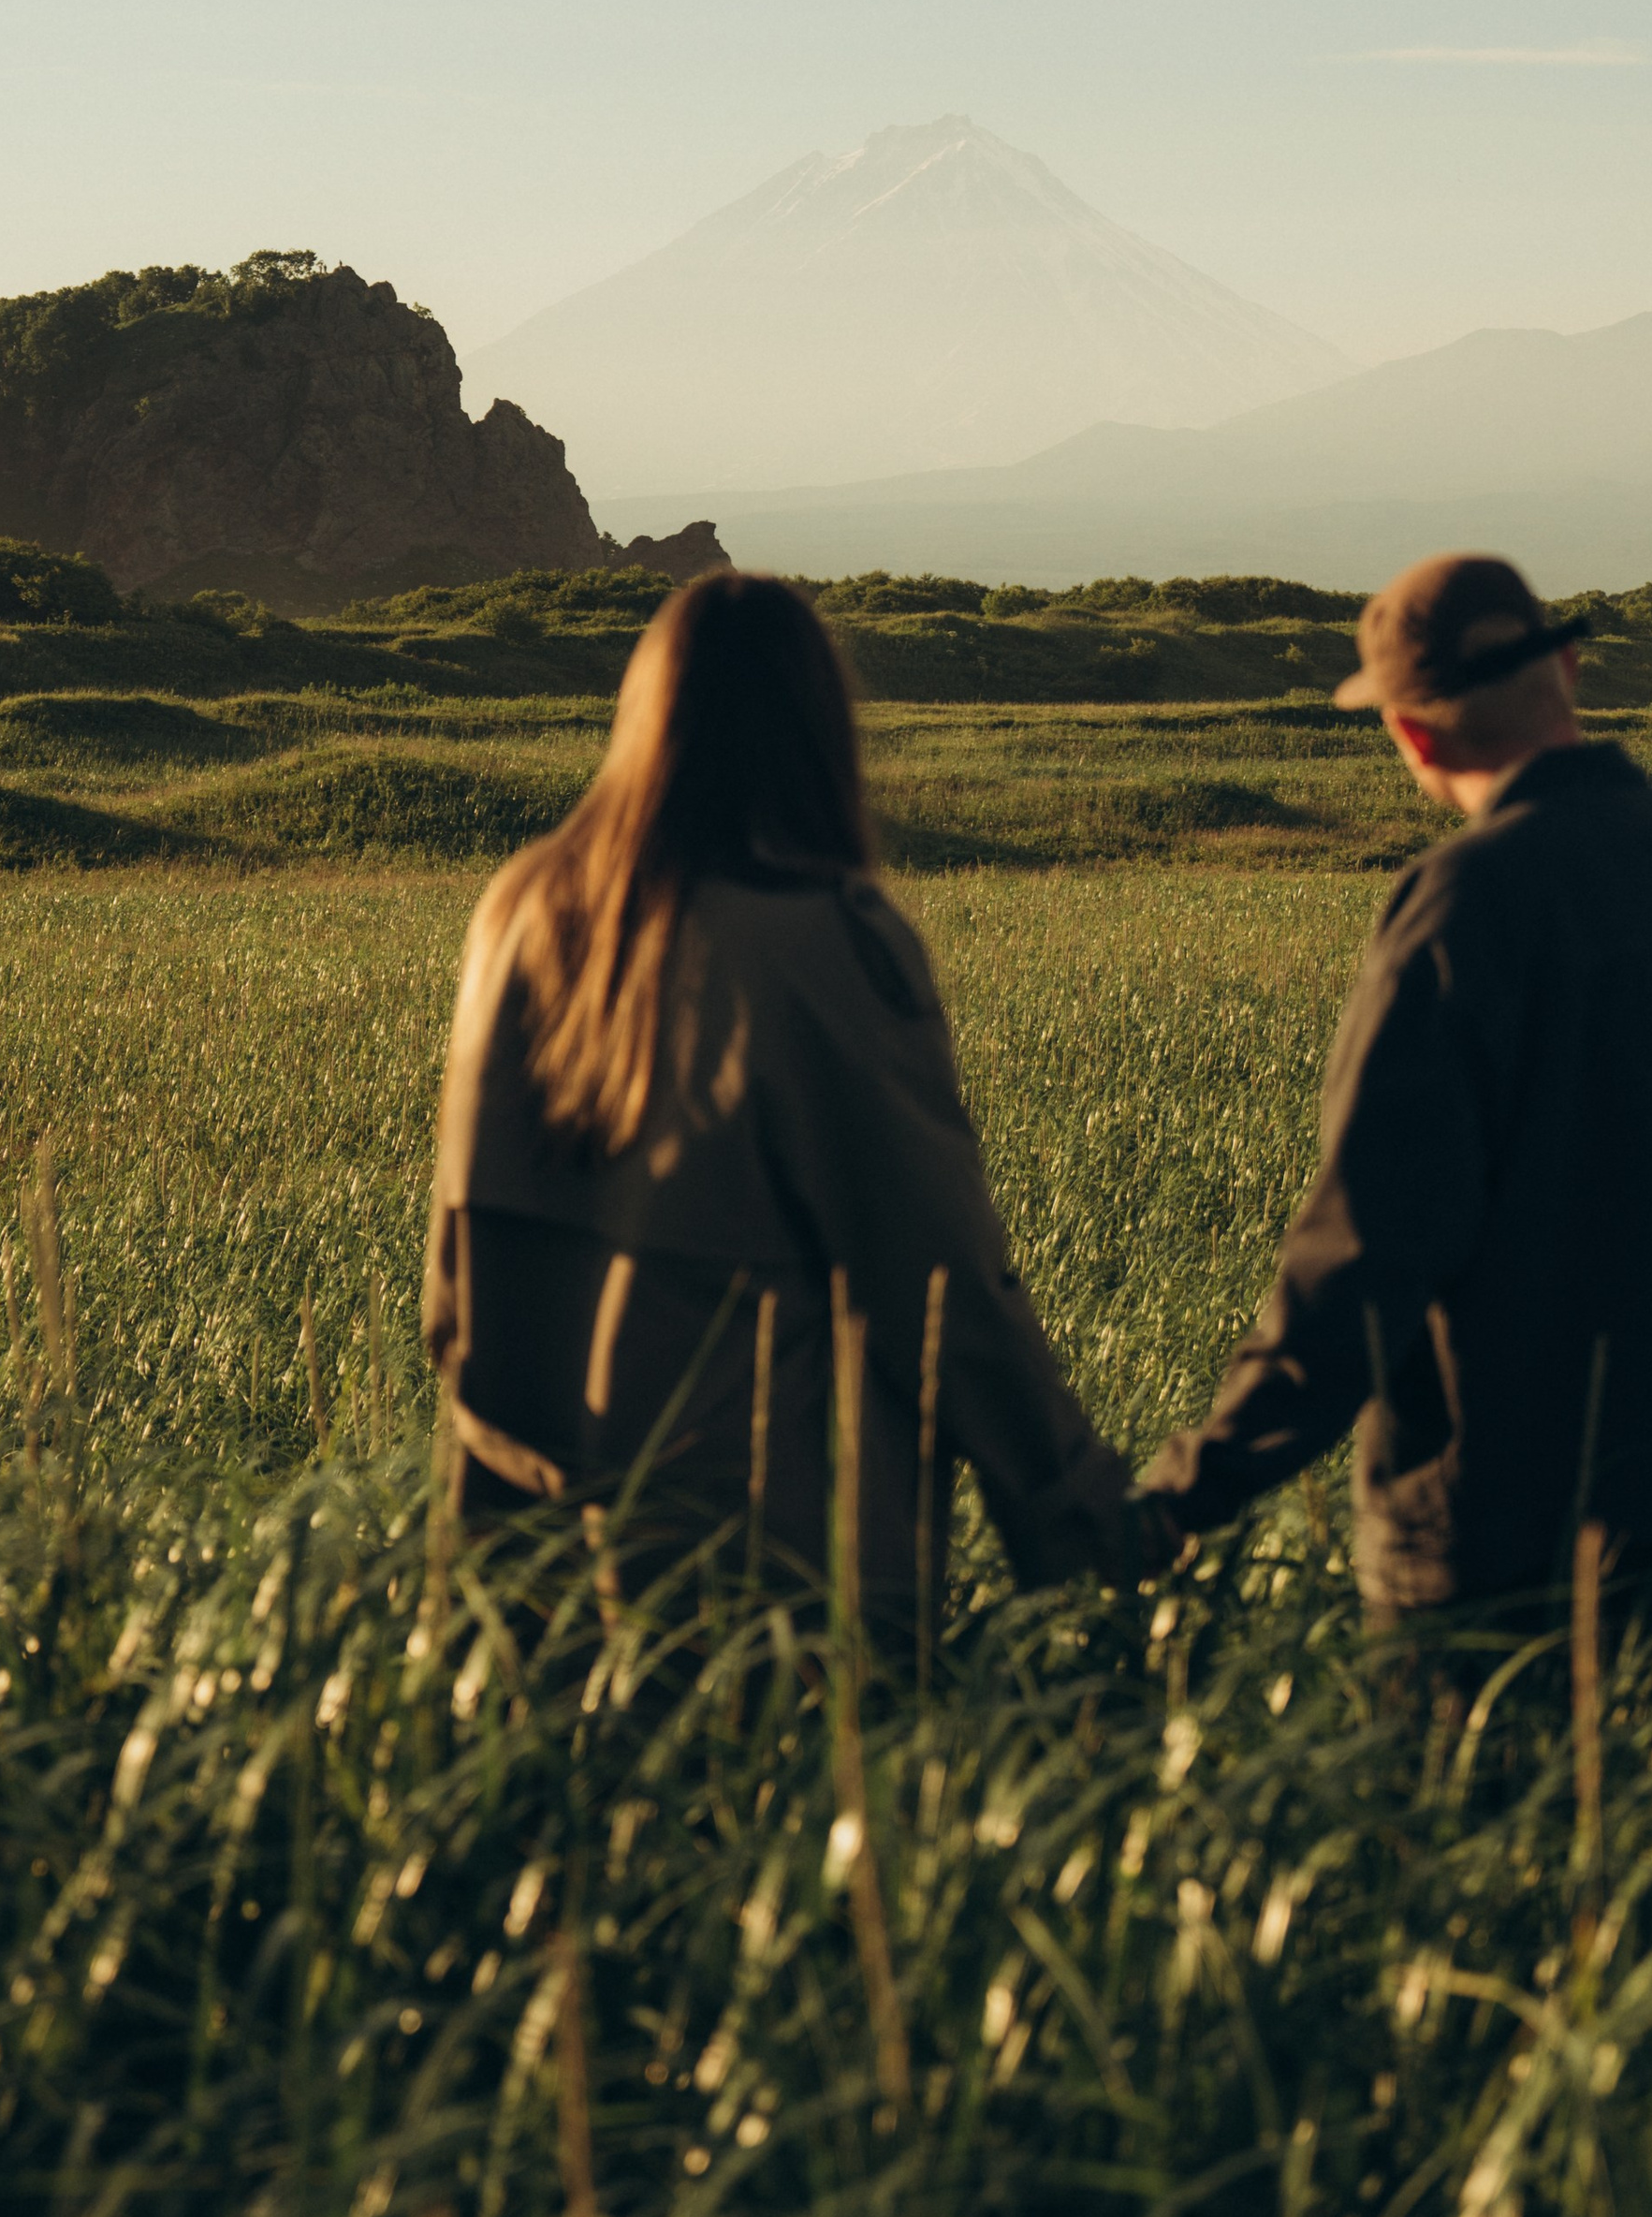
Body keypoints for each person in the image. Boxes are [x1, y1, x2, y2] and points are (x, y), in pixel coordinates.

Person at [1135, 551, 1652, 1652]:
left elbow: (1367, 1251)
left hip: (1487, 1543)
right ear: (1568, 673)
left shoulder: (1460, 906)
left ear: (1411, 734)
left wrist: (1188, 1491)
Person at [426, 571, 1137, 1621]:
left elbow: (458, 1252)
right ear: (817, 727)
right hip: (764, 1571)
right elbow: (941, 1287)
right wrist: (1080, 1515)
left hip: (528, 1551)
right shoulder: (826, 939)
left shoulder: (524, 908)